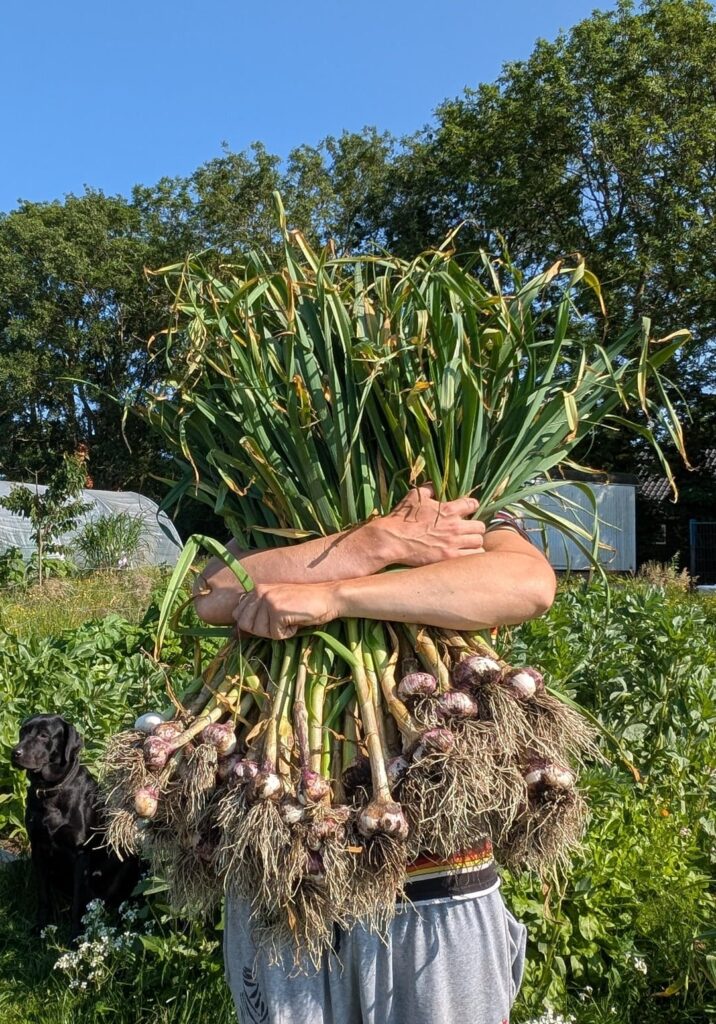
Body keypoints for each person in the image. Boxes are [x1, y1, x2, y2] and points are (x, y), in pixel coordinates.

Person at [194, 485, 557, 1024]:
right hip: (287, 860)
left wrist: (337, 596)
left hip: (432, 874)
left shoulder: (462, 493)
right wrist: (376, 543)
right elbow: (213, 591)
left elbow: (527, 584)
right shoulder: (277, 501)